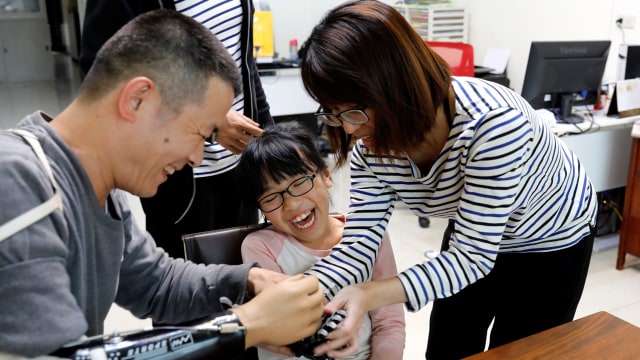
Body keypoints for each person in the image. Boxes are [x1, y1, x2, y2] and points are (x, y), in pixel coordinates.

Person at [0, 10, 323, 357]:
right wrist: (242, 326)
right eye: (202, 134)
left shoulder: (104, 192)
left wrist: (247, 280)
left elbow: (156, 284)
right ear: (138, 99)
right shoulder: (17, 180)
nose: (198, 158)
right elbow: (64, 355)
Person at [296, 1, 598, 359]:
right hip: (475, 233)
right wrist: (305, 292)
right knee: (447, 347)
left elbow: (471, 259)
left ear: (398, 86)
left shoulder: (493, 126)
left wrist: (369, 294)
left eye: (355, 110)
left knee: (519, 350)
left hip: (550, 238)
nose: (348, 128)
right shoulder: (370, 149)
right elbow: (358, 244)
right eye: (333, 113)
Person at [79, 0, 274, 258]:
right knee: (184, 283)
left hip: (240, 164)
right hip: (178, 174)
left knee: (245, 276)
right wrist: (211, 120)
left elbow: (245, 65)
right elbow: (105, 76)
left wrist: (270, 139)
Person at [235, 122, 405, 360]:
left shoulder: (368, 233)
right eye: (271, 197)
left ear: (325, 175)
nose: (291, 204)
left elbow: (389, 323)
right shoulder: (260, 246)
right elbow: (279, 340)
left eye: (300, 182)